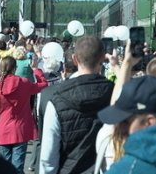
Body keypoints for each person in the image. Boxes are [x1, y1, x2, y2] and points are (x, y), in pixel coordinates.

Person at [40, 36, 114, 174]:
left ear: (74, 59)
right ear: (103, 58)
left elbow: (48, 157)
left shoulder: (57, 99)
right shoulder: (116, 94)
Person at [0, 56, 47, 172]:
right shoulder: (23, 83)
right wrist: (36, 69)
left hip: (2, 130)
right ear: (15, 68)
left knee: (4, 168)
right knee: (17, 168)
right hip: (20, 130)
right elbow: (43, 85)